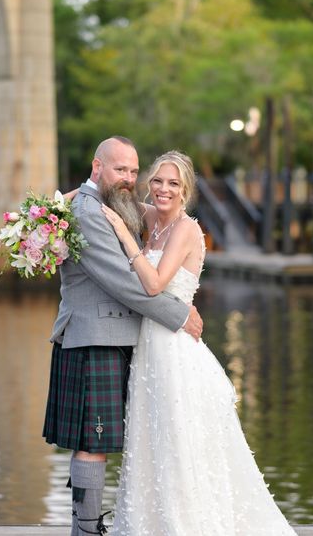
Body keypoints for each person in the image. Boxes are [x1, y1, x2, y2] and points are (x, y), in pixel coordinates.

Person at [100, 150, 296, 535]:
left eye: (173, 184)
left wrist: (124, 236)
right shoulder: (148, 216)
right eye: (157, 180)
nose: (164, 189)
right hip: (147, 351)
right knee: (150, 441)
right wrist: (65, 200)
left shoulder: (186, 229)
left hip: (176, 352)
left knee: (178, 443)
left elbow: (154, 284)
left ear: (186, 190)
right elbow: (103, 193)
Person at [43, 137, 204, 536]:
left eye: (134, 171)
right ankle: (85, 530)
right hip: (94, 336)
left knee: (130, 438)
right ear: (98, 167)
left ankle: (116, 522)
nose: (129, 178)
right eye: (121, 170)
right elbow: (125, 284)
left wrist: (58, 200)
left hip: (124, 338)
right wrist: (179, 314)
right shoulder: (90, 211)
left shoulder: (115, 204)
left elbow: (157, 217)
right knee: (93, 440)